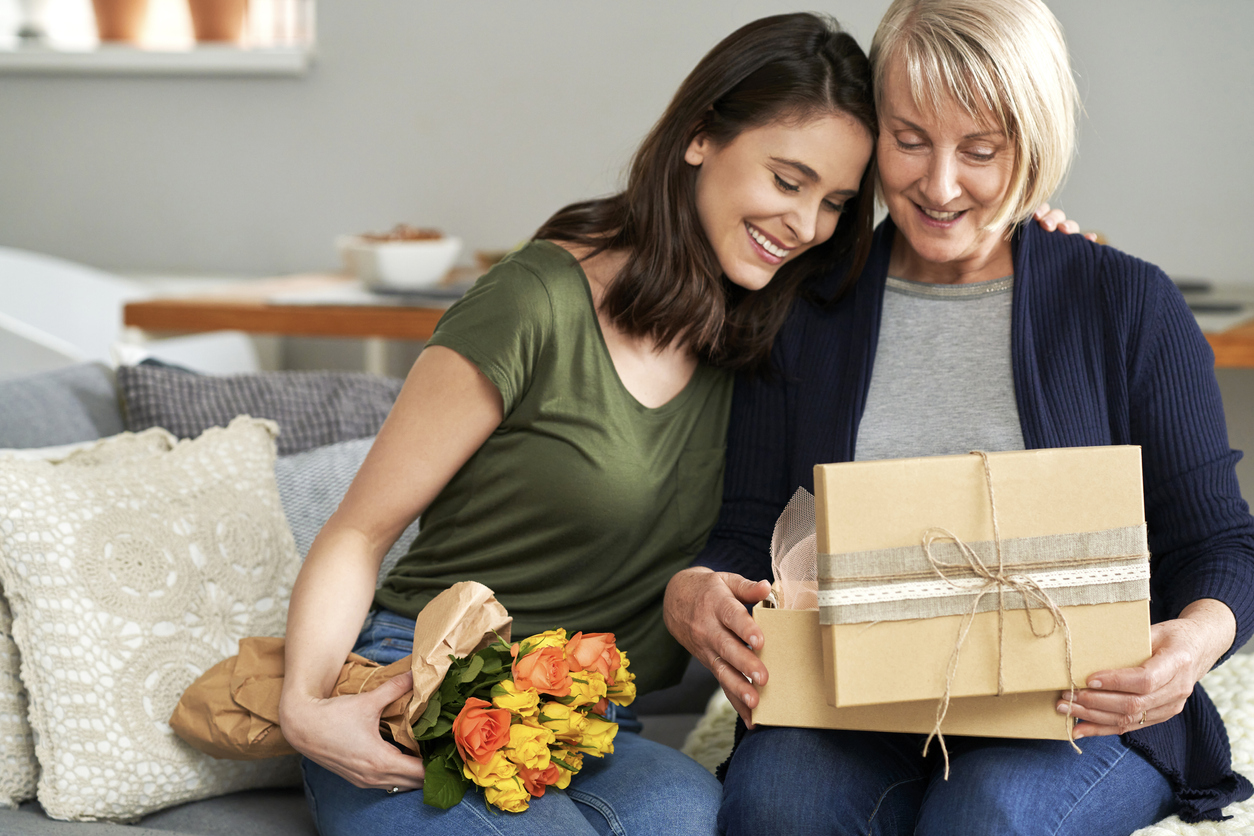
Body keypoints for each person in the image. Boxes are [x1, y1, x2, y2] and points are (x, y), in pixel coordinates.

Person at [277, 13, 880, 836]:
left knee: (705, 821)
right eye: (787, 181)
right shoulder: (534, 301)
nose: (806, 226)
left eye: (835, 203)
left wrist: (1032, 240)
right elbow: (358, 532)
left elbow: (933, 268)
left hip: (584, 723)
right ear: (700, 136)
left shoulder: (771, 331)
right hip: (424, 688)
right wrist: (304, 709)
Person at [663, 0, 1254, 832]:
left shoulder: (1126, 302)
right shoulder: (806, 308)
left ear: (1034, 144)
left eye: (981, 151)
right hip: (850, 708)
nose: (939, 187)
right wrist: (694, 588)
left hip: (1076, 711)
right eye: (909, 140)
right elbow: (750, 528)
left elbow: (1221, 543)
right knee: (777, 805)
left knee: (989, 814)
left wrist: (1190, 646)